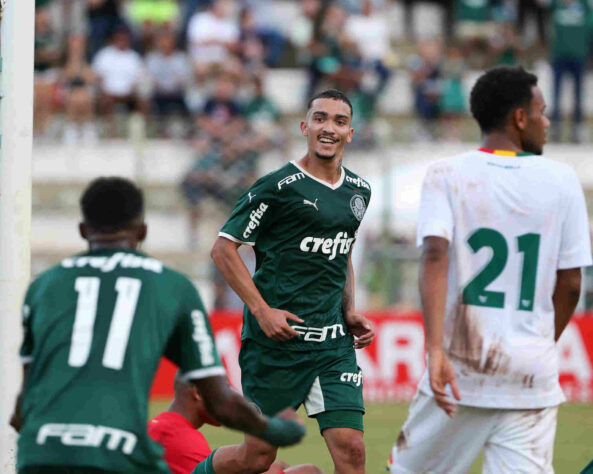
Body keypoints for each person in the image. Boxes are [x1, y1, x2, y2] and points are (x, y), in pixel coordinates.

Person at [10, 177, 306, 474]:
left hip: (42, 454)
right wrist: (275, 429)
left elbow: (22, 411)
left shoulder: (44, 287)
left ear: (83, 231)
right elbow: (218, 400)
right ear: (142, 232)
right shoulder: (173, 287)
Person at [389, 66, 592, 473]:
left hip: (459, 363)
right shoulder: (563, 179)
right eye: (542, 111)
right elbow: (571, 284)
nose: (547, 121)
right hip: (530, 372)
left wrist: (433, 350)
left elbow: (434, 256)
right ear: (520, 118)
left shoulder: (446, 173)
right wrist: (538, 343)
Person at [211, 89, 374, 474]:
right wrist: (261, 311)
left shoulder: (359, 191)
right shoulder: (277, 187)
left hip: (332, 344)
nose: (328, 127)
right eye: (320, 118)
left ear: (350, 133)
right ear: (305, 127)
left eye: (339, 121)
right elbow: (223, 249)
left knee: (351, 449)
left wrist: (348, 309)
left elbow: (342, 250)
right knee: (258, 457)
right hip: (276, 345)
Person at [149, 371, 323, 474]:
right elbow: (251, 462)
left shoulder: (162, 426)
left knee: (282, 468)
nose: (230, 397)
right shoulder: (183, 439)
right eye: (222, 389)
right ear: (197, 393)